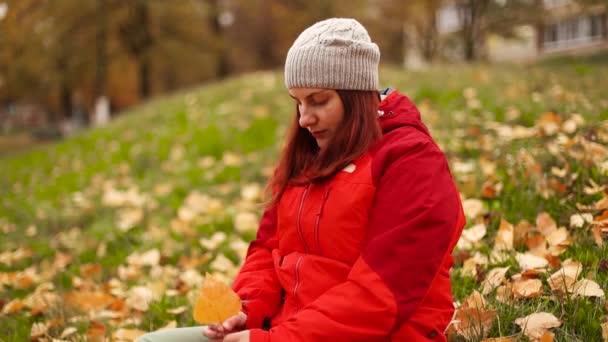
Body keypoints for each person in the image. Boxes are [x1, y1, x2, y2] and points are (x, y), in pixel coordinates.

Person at [137, 17, 465, 342]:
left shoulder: (412, 163)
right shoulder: (309, 154)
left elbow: (377, 299)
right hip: (286, 330)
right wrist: (246, 309)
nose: (304, 119)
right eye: (298, 103)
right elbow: (269, 248)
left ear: (357, 94)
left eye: (319, 100)